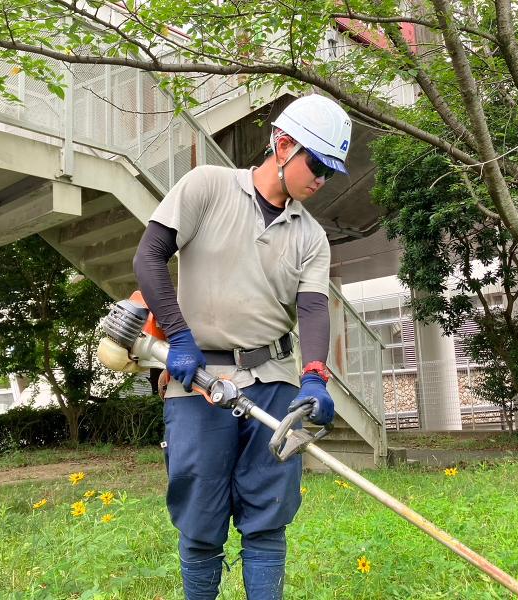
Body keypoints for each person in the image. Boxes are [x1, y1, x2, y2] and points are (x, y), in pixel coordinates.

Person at [133, 94, 352, 600]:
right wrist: (181, 338)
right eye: (316, 164)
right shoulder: (207, 186)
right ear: (282, 144)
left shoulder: (312, 236)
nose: (321, 179)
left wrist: (314, 376)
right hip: (196, 380)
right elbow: (149, 259)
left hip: (273, 382)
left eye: (330, 172)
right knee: (200, 516)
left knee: (267, 516)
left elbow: (314, 308)